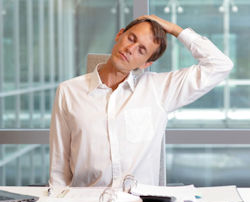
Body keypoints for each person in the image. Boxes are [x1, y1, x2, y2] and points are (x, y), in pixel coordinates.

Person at [49, 15, 233, 187]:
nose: (131, 49)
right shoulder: (69, 91)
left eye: (142, 50)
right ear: (119, 34)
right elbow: (59, 169)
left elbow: (220, 65)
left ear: (146, 63)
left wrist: (175, 30)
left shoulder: (159, 90)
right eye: (131, 38)